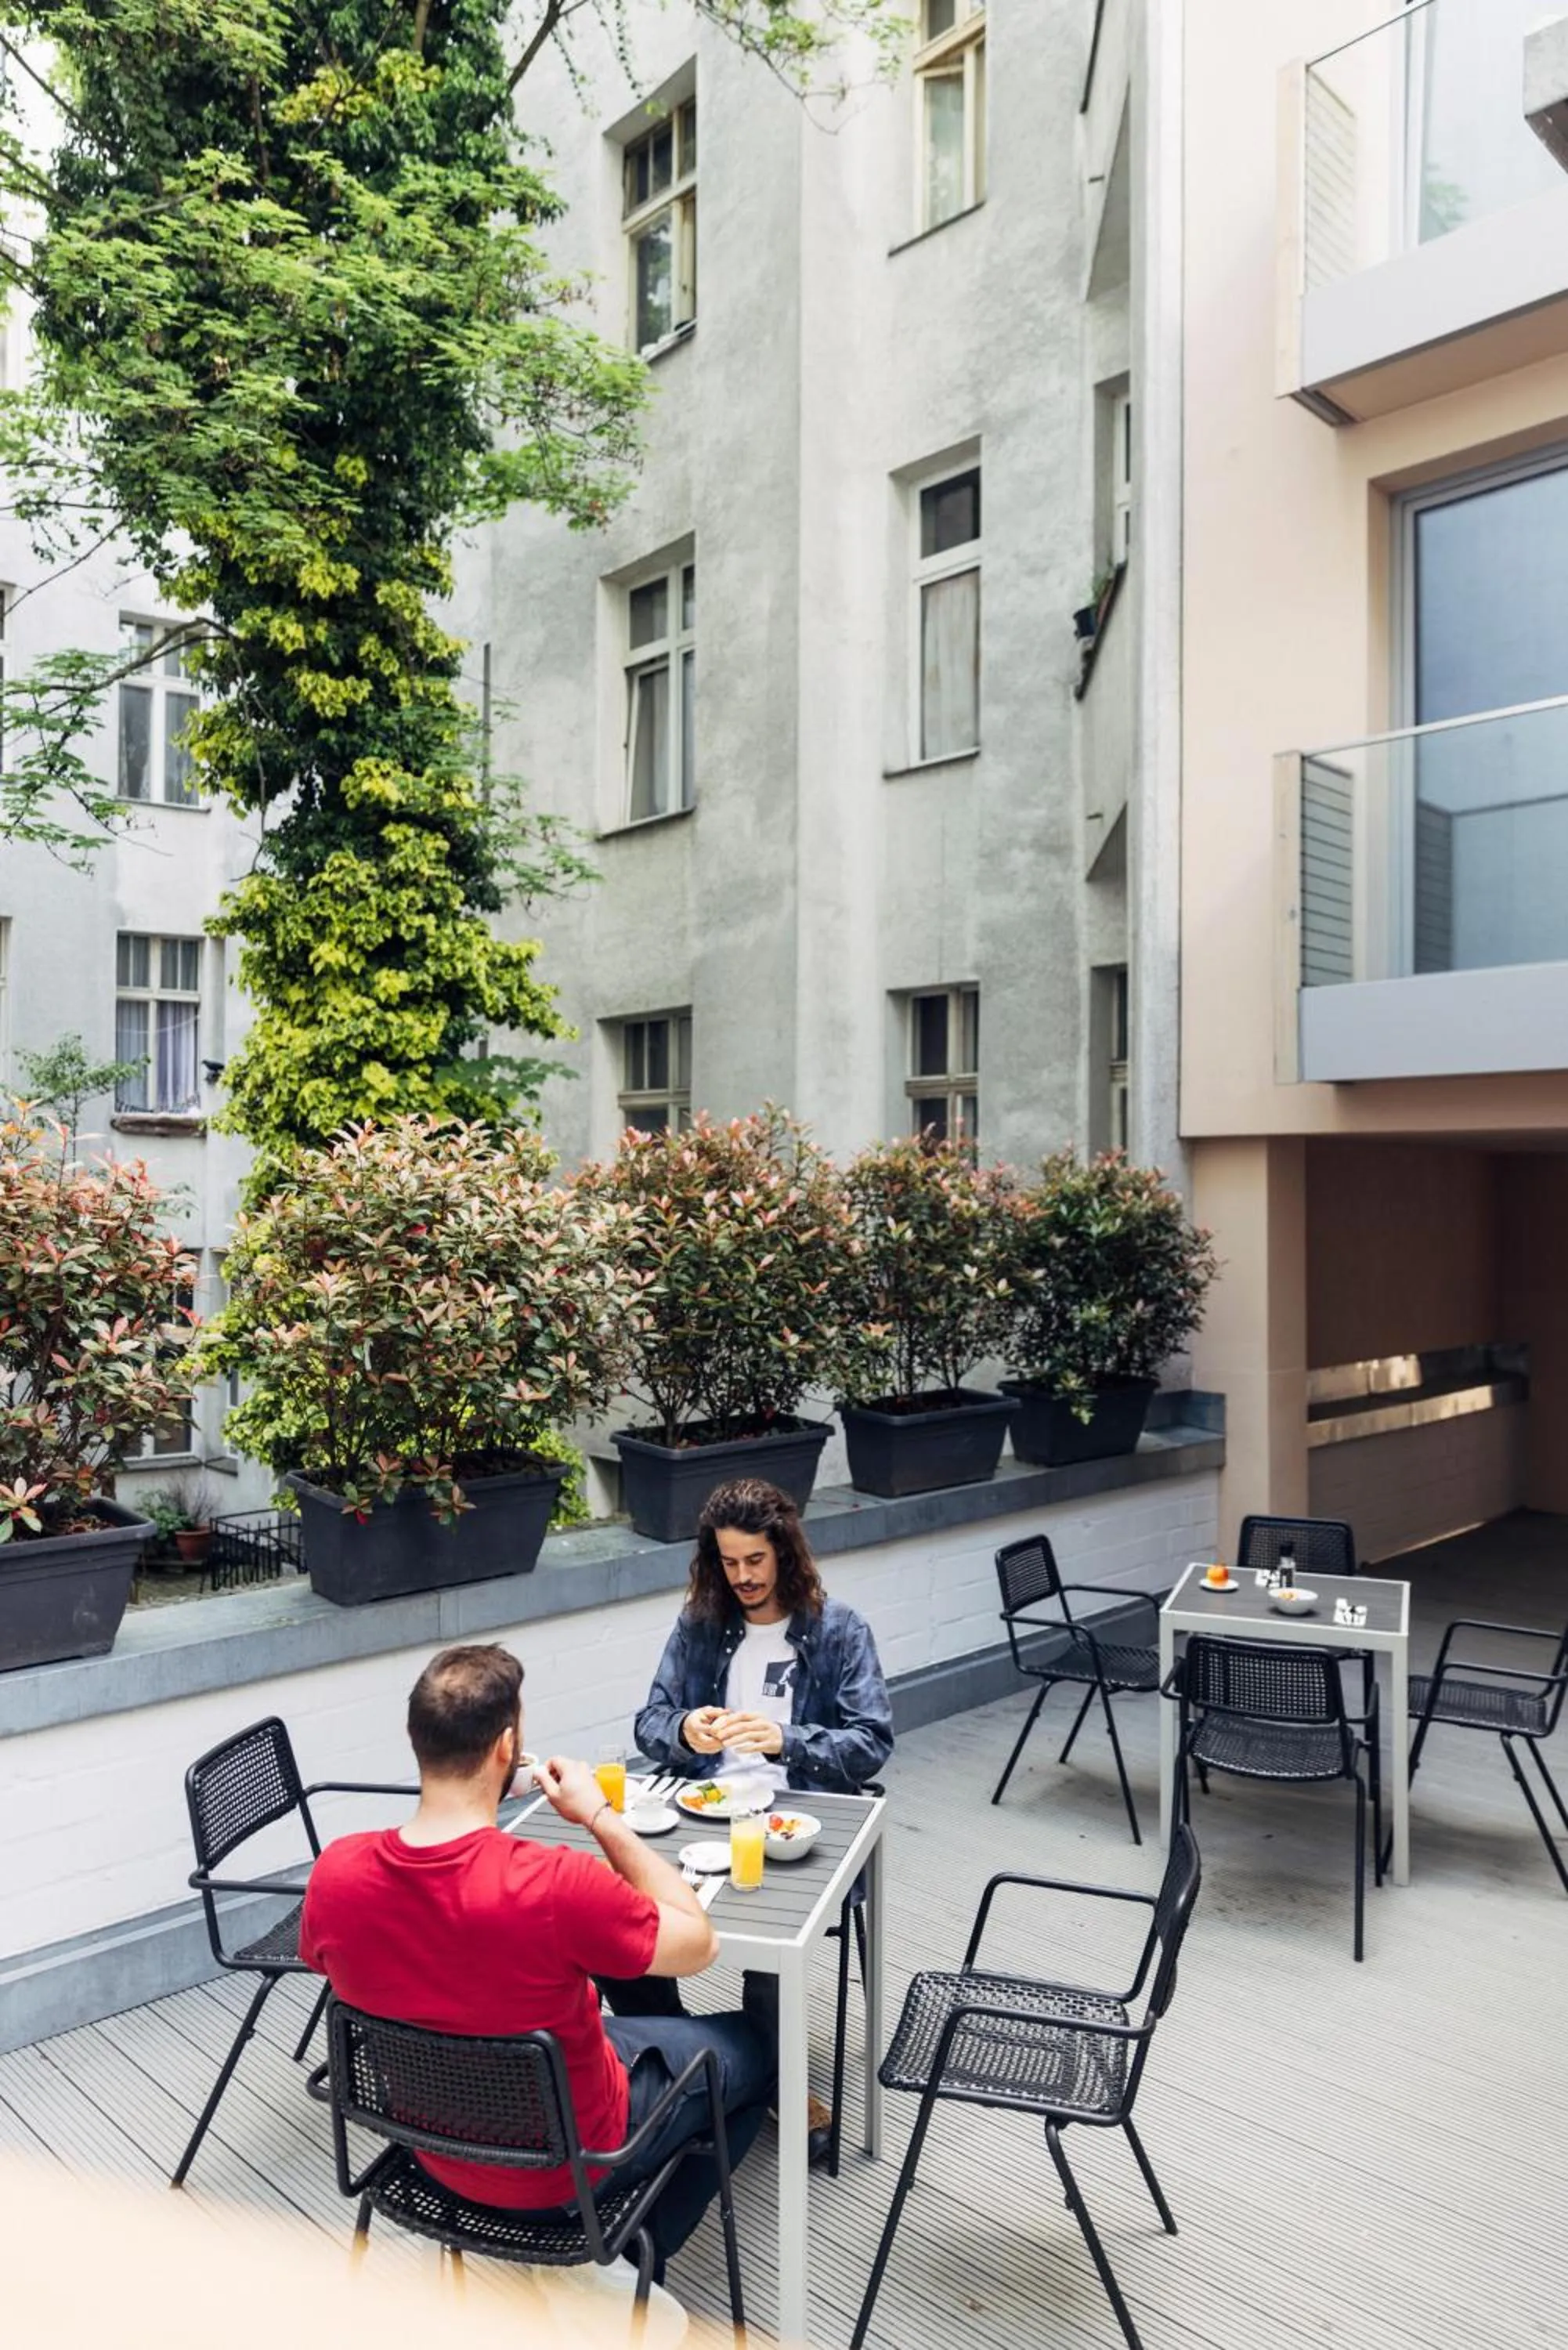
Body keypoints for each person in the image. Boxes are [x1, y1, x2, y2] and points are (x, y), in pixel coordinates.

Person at [299, 1642, 773, 2281]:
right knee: (758, 2054)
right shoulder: (557, 1884)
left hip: (430, 2152)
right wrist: (599, 1815)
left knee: (606, 2027)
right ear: (505, 1748)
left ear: (417, 1741)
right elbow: (698, 1941)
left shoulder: (336, 1874)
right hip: (570, 2170)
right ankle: (632, 2250)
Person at [605, 1477, 894, 2164]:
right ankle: (681, 2063)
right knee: (622, 1915)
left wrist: (783, 1740)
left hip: (798, 1816)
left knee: (773, 1938)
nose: (742, 1578)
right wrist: (686, 1728)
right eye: (729, 1563)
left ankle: (772, 2081)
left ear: (785, 1554)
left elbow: (872, 1741)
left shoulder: (839, 1630)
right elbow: (650, 1723)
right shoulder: (700, 1623)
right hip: (699, 1807)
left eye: (755, 1562)